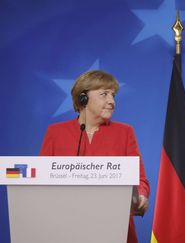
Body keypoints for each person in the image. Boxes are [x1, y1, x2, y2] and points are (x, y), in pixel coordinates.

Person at [40, 70, 150, 243]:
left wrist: (141, 196)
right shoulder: (55, 133)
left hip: (117, 229)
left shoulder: (125, 132)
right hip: (66, 229)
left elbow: (140, 179)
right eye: (104, 94)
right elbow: (40, 182)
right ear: (83, 98)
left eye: (113, 95)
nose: (111, 101)